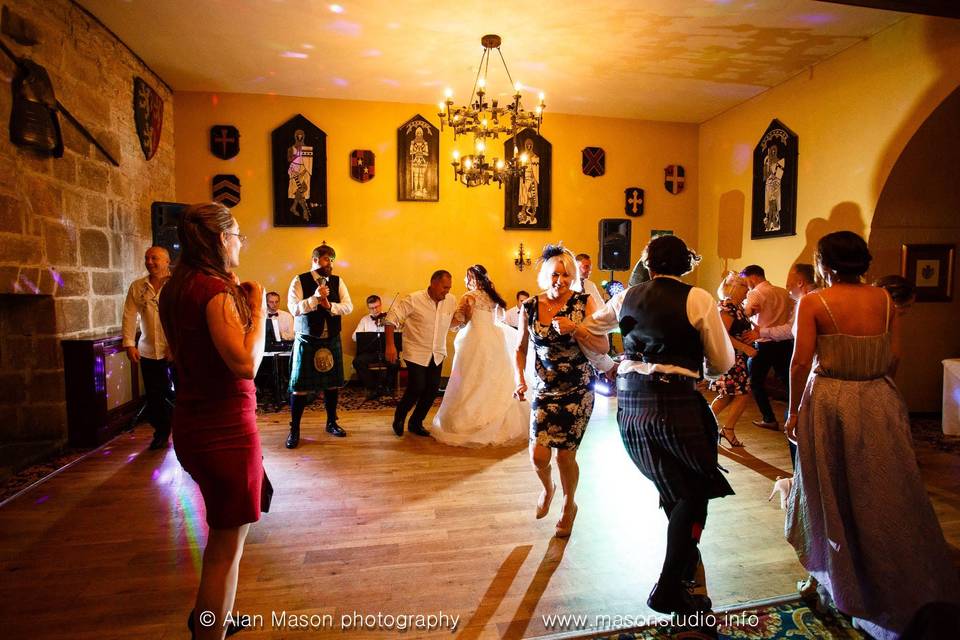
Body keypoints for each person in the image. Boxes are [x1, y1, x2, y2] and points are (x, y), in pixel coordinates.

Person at [783, 231, 960, 639]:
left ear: (824, 264)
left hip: (830, 400)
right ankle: (898, 574)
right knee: (886, 488)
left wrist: (793, 410)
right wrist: (878, 392)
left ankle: (837, 577)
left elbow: (798, 363)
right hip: (879, 395)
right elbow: (894, 355)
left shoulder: (813, 302)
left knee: (832, 489)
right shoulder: (884, 299)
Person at [581, 235, 735, 615]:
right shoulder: (697, 298)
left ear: (648, 266)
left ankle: (684, 569)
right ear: (686, 266)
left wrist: (616, 355)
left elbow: (592, 327)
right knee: (694, 489)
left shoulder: (625, 298)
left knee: (674, 489)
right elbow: (722, 360)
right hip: (675, 401)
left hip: (631, 404)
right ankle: (670, 586)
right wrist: (703, 370)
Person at [157, 203, 267, 640]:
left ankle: (214, 612)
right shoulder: (213, 291)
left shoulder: (176, 286)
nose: (241, 242)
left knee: (223, 536)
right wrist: (256, 309)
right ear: (222, 239)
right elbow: (245, 363)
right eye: (238, 235)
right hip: (225, 430)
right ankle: (209, 629)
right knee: (226, 547)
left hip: (192, 420)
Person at [514, 244, 602, 539]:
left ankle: (568, 504)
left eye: (566, 275)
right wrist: (519, 380)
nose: (560, 281)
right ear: (545, 276)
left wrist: (576, 330)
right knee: (538, 456)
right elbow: (521, 348)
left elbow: (603, 346)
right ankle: (548, 488)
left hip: (578, 389)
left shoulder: (584, 303)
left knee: (565, 456)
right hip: (544, 389)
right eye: (555, 275)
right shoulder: (529, 306)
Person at [432, 265, 530, 447]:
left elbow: (460, 320)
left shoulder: (469, 297)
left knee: (470, 379)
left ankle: (471, 422)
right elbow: (499, 318)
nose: (465, 281)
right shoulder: (493, 297)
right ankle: (496, 418)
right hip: (494, 340)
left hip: (475, 340)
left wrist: (444, 322)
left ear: (471, 279)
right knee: (492, 379)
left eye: (466, 277)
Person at [285, 244, 354, 447]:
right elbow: (293, 309)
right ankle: (294, 430)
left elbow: (348, 306)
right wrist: (314, 299)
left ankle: (332, 423)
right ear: (315, 260)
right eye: (326, 260)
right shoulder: (299, 280)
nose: (330, 264)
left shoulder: (338, 281)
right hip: (307, 339)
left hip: (331, 338)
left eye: (332, 260)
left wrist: (329, 305)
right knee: (299, 387)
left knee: (332, 384)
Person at [385, 271, 457, 437]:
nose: (447, 291)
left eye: (449, 288)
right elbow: (390, 319)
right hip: (416, 351)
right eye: (444, 287)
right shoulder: (413, 299)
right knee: (416, 387)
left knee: (432, 390)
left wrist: (461, 319)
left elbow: (450, 324)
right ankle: (399, 417)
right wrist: (390, 345)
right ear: (433, 283)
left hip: (437, 352)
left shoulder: (451, 300)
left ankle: (416, 422)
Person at [122, 246, 175, 450]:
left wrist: (175, 345)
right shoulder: (138, 286)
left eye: (155, 258)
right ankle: (161, 431)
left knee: (178, 393)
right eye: (147, 258)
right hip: (148, 349)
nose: (149, 261)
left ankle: (182, 429)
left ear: (167, 261)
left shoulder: (175, 285)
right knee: (154, 395)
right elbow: (129, 314)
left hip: (174, 351)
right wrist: (129, 344)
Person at [741, 264, 793, 430]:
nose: (746, 285)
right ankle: (794, 413)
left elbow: (745, 314)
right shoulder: (784, 292)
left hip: (763, 343)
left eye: (746, 281)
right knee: (788, 381)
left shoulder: (755, 293)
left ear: (754, 277)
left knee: (755, 382)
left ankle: (769, 418)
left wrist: (746, 312)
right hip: (783, 342)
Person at [708, 271, 756, 448]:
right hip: (731, 358)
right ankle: (727, 429)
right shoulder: (727, 307)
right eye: (744, 287)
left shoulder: (738, 308)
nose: (747, 291)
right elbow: (723, 335)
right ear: (734, 288)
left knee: (728, 396)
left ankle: (706, 425)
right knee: (742, 394)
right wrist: (745, 348)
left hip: (737, 357)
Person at [351, 295, 397, 399]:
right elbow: (354, 337)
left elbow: (397, 334)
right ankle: (373, 388)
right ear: (368, 308)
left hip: (385, 351)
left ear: (381, 305)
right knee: (357, 361)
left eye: (377, 307)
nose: (375, 310)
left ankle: (388, 387)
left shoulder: (388, 317)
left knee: (395, 363)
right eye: (372, 308)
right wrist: (366, 335)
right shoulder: (365, 320)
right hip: (370, 353)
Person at [517, 138, 540, 224]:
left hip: (532, 179)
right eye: (527, 145)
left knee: (531, 195)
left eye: (530, 145)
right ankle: (523, 211)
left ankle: (532, 213)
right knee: (524, 195)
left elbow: (536, 169)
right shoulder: (523, 157)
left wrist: (534, 178)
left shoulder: (535, 157)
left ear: (532, 146)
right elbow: (520, 169)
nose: (529, 147)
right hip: (524, 179)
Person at [409, 126, 429, 199]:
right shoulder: (413, 143)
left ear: (422, 134)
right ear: (416, 134)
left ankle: (420, 189)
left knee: (421, 176)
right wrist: (415, 150)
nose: (419, 134)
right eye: (418, 133)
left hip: (422, 160)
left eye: (420, 133)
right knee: (415, 175)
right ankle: (415, 189)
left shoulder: (425, 143)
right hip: (415, 160)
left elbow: (426, 153)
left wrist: (421, 152)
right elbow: (411, 152)